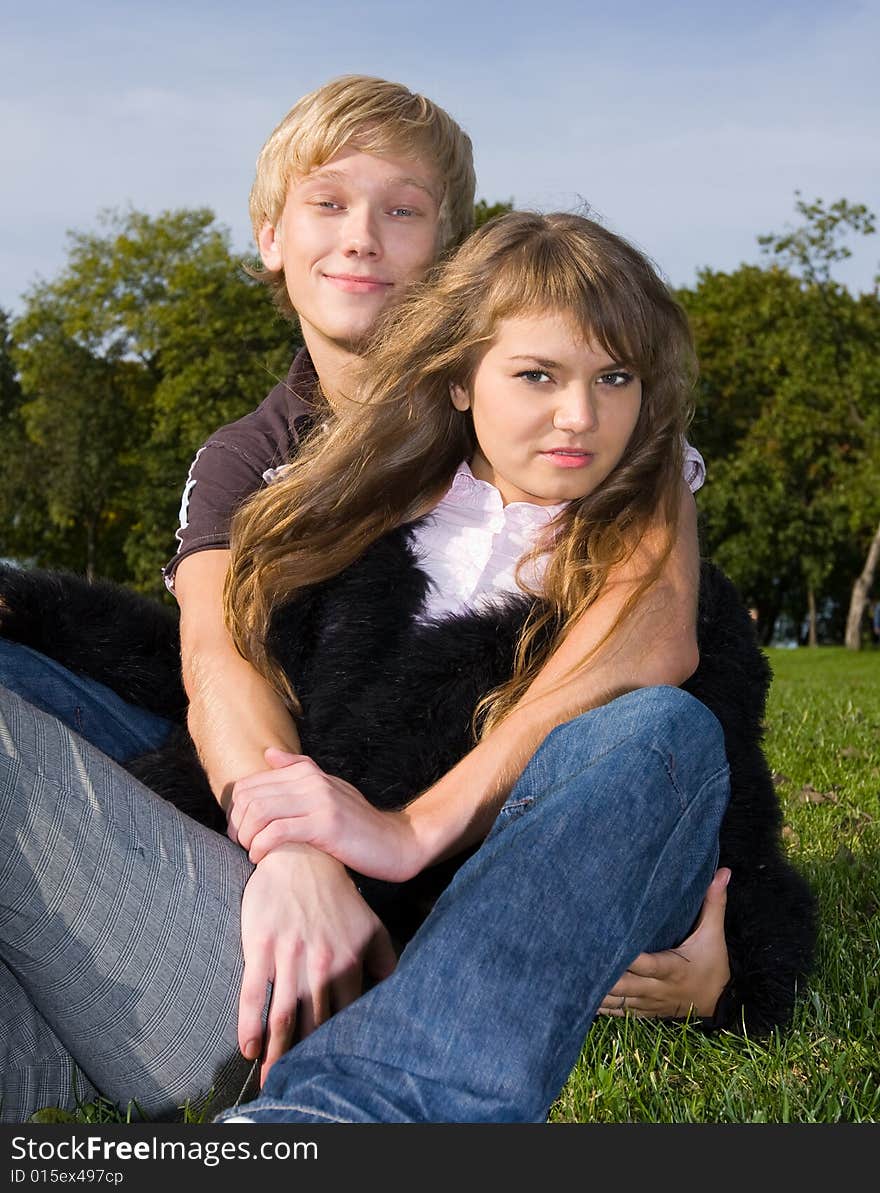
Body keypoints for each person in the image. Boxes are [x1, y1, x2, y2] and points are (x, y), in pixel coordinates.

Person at [0, 212, 815, 1123]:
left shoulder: (665, 581)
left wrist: (732, 968)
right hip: (229, 937)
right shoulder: (367, 526)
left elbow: (711, 813)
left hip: (381, 972)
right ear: (461, 380)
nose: (581, 416)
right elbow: (221, 676)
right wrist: (41, 614)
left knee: (664, 728)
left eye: (614, 377)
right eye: (537, 375)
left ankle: (352, 1117)